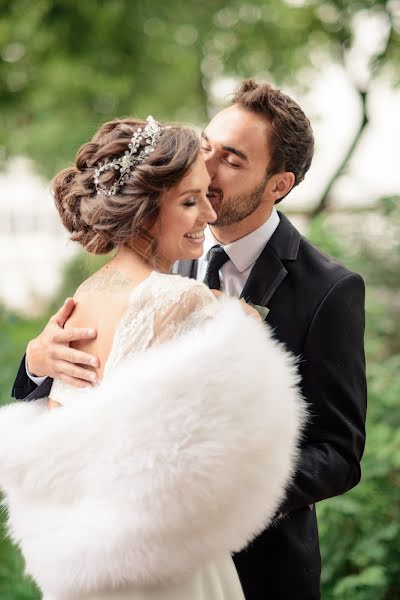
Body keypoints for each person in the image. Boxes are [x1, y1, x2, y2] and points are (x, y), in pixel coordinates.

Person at [2, 115, 306, 600]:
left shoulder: (86, 292)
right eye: (189, 201)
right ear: (145, 212)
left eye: (206, 194)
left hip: (84, 549)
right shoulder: (183, 299)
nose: (208, 212)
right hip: (166, 561)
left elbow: (67, 435)